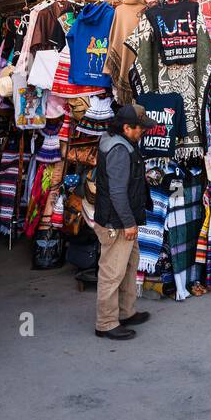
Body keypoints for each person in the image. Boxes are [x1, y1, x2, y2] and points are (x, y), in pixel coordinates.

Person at [89, 103, 152, 340]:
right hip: (116, 223)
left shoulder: (122, 141)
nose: (143, 132)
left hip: (124, 219)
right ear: (127, 127)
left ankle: (125, 312)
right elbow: (116, 191)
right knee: (112, 272)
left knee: (129, 265)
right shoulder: (118, 149)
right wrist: (127, 223)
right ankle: (105, 323)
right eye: (140, 129)